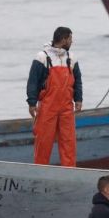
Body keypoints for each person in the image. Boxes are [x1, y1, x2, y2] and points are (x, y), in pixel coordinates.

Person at [26, 27, 83, 166]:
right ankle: (40, 171)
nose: (71, 41)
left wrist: (78, 99)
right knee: (43, 142)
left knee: (68, 143)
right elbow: (32, 81)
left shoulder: (72, 58)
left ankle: (69, 173)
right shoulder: (42, 57)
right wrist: (32, 103)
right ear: (63, 40)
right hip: (47, 107)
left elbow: (78, 80)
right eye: (70, 39)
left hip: (66, 108)